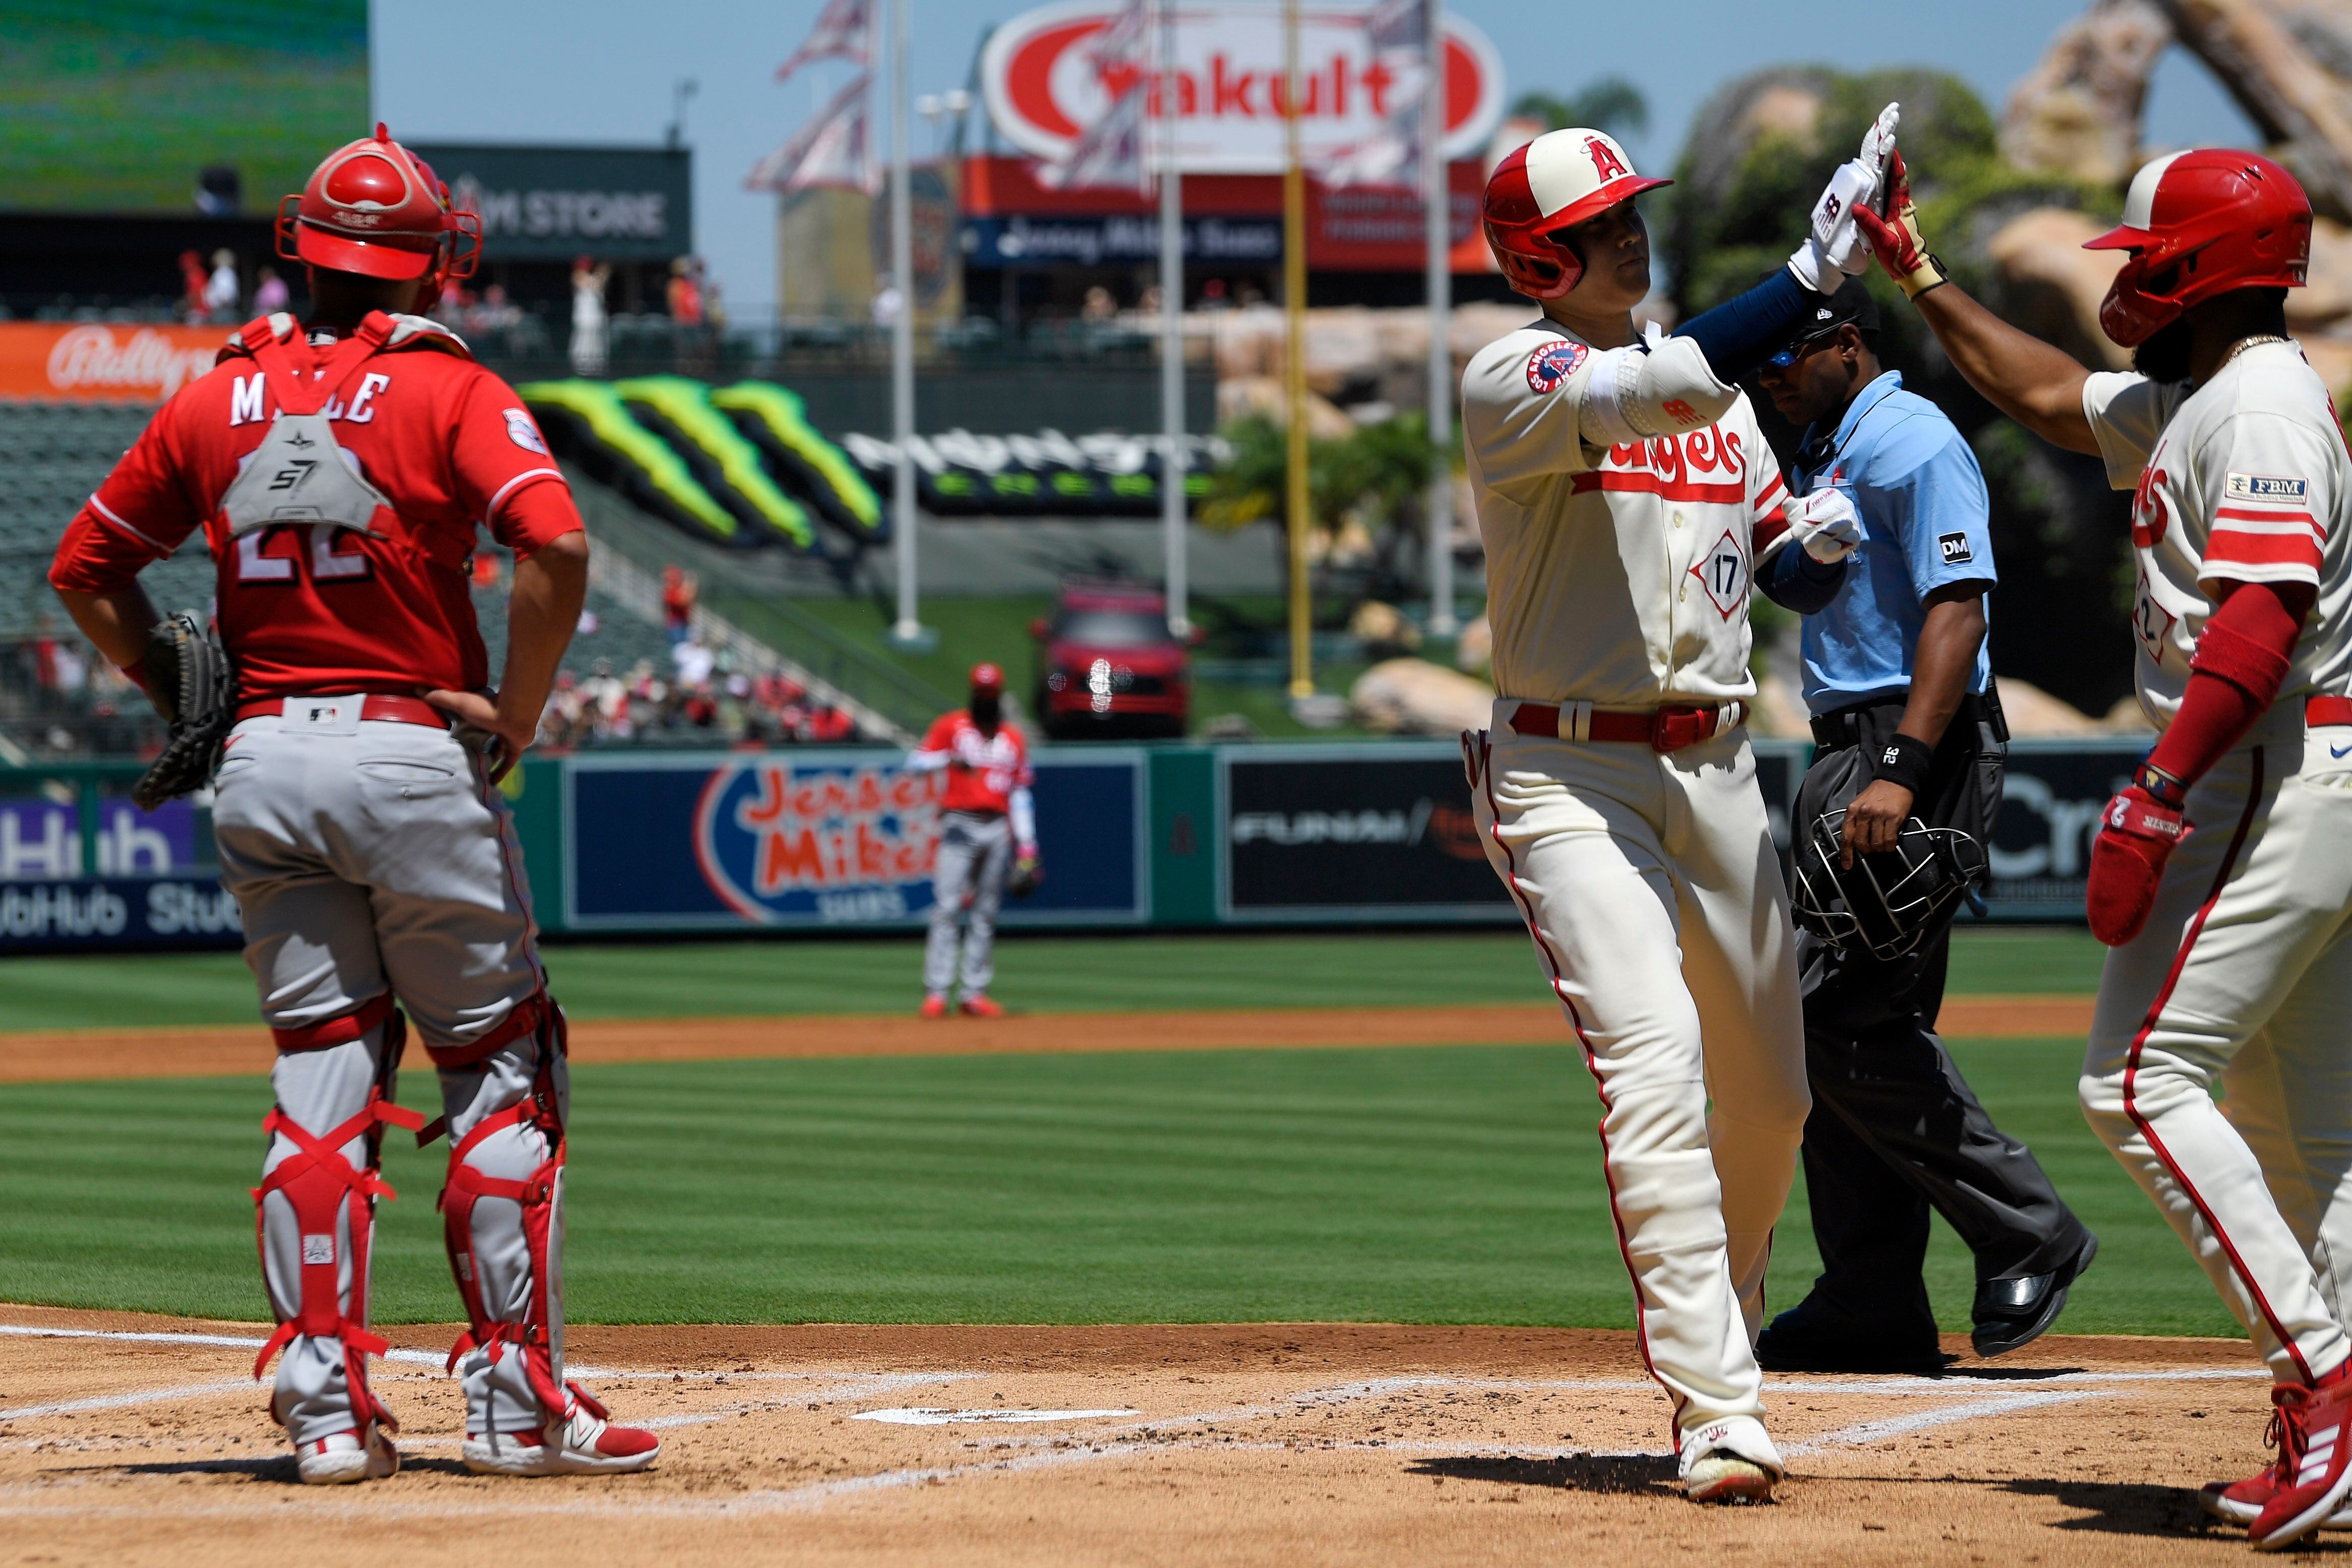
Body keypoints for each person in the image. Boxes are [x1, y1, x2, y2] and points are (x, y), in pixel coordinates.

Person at [47, 125, 657, 1487]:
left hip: (260, 758)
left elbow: (86, 566)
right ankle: (511, 1398)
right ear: (434, 261)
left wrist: (168, 685)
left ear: (296, 248)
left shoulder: (217, 396)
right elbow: (552, 541)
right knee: (501, 1056)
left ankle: (323, 1410)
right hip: (408, 750)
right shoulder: (450, 389)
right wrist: (519, 705)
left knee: (320, 1067)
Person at [1859, 145, 2352, 1549]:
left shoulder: (2254, 402)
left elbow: (2260, 610)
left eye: (2142, 252)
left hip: (2270, 757)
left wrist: (2159, 785)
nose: (2124, 272)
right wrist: (1920, 272)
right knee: (2308, 1133)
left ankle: (2324, 1381)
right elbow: (2038, 394)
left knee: (2136, 1081)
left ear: (2194, 268)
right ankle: (2332, 1431)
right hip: (2305, 759)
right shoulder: (2208, 394)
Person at [1460, 113, 1891, 1504]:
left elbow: (1778, 567)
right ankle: (1718, 1407)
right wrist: (1808, 280)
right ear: (1541, 256)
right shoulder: (1512, 375)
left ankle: (1728, 1321)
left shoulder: (1719, 408)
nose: (1630, 232)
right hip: (1566, 772)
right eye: (1603, 222)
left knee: (1769, 1099)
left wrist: (1812, 550)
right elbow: (1664, 379)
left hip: (1716, 769)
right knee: (1652, 1061)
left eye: (1634, 212)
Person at [1748, 276, 2097, 1373]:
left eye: (1783, 359)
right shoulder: (1820, 453)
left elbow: (1958, 605)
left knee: (1827, 1017)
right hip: (1847, 741)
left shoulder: (1909, 438)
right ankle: (1869, 1296)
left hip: (1912, 744)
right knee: (1860, 1019)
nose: (1769, 379)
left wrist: (1901, 767)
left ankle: (2026, 1226)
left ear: (1844, 343)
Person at [909, 662, 1038, 1018]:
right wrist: (948, 758)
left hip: (997, 826)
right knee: (947, 908)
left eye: (990, 693)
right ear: (973, 693)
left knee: (985, 912)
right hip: (958, 823)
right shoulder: (952, 726)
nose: (985, 698)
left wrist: (1028, 846)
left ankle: (973, 993)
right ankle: (937, 993)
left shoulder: (1012, 737)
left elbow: (1020, 794)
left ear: (998, 694)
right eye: (981, 692)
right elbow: (915, 762)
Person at [569, 257, 609, 377]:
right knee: (583, 343)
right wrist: (603, 272)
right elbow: (594, 284)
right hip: (583, 317)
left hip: (596, 316)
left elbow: (598, 283)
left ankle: (595, 369)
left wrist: (604, 271)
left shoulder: (593, 276)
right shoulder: (577, 275)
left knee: (597, 344)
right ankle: (580, 370)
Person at [204, 249, 241, 321]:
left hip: (223, 310)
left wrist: (220, 304)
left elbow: (226, 294)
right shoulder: (228, 272)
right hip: (224, 310)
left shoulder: (223, 272)